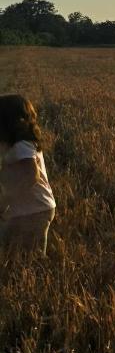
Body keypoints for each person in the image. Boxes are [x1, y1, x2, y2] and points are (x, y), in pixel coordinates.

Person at [0, 95, 56, 257]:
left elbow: (32, 174)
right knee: (17, 254)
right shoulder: (16, 144)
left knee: (31, 259)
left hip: (33, 210)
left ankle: (39, 279)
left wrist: (7, 200)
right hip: (28, 209)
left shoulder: (21, 145)